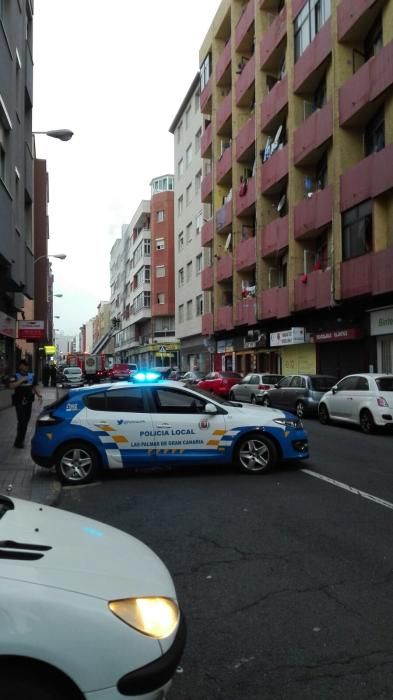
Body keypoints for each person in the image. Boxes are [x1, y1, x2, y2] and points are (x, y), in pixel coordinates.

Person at [8, 360, 42, 448]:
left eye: (27, 366)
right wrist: (21, 380)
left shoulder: (31, 375)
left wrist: (39, 395)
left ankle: (19, 440)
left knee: (26, 421)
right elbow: (12, 386)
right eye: (24, 365)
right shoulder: (15, 376)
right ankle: (19, 442)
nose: (26, 367)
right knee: (22, 420)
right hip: (19, 401)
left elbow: (34, 386)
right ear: (20, 366)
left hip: (28, 401)